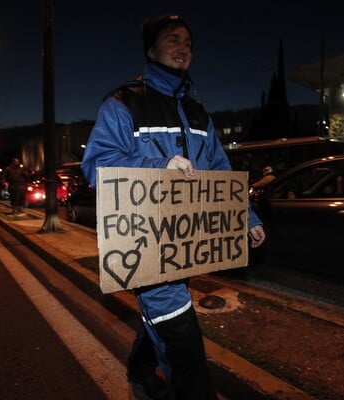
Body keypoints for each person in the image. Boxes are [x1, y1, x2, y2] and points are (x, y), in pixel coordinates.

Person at [81, 14, 266, 400]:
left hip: (185, 250)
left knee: (163, 322)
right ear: (151, 49)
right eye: (173, 40)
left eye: (189, 43)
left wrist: (245, 216)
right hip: (146, 248)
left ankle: (140, 372)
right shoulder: (123, 103)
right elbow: (97, 166)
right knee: (185, 349)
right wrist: (157, 168)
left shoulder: (199, 114)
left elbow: (220, 171)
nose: (184, 48)